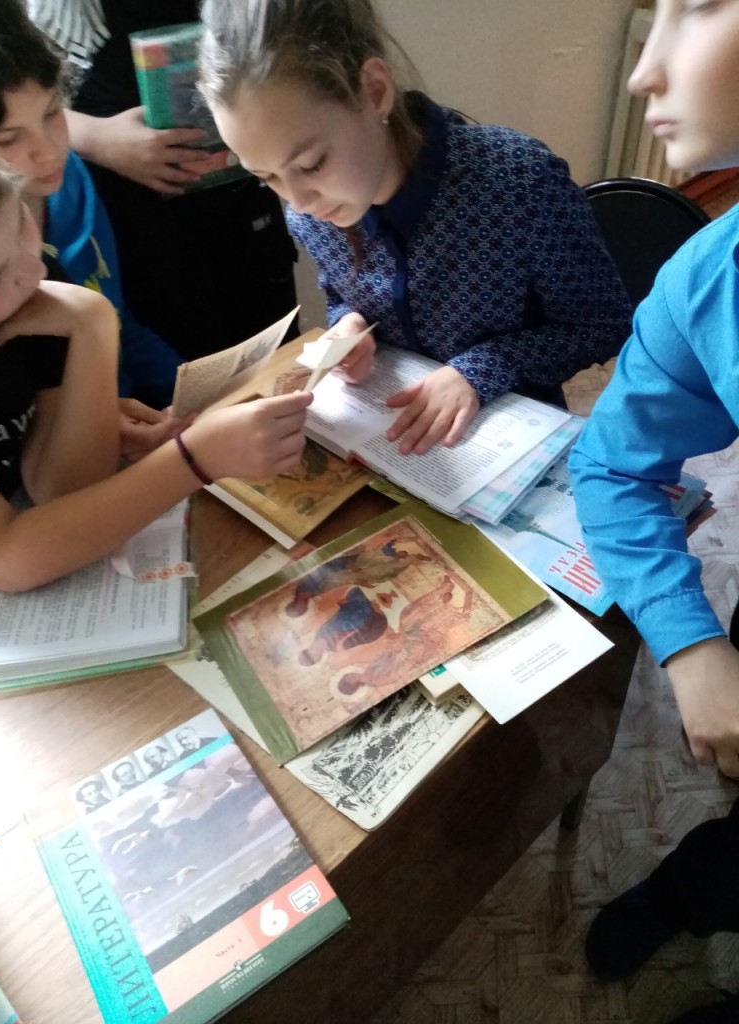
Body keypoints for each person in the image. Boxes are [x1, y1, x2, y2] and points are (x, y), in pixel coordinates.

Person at [197, 0, 632, 456]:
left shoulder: (519, 182)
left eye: (311, 164)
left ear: (375, 91)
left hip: (508, 441)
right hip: (388, 438)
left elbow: (604, 324)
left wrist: (479, 370)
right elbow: (344, 295)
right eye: (266, 177)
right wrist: (349, 325)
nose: (298, 202)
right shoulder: (312, 216)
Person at [568, 1, 739, 1019]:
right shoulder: (710, 274)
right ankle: (698, 888)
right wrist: (692, 642)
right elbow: (612, 463)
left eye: (698, 6)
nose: (643, 71)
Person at [0, 119, 311, 593]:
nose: (32, 273)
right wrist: (195, 459)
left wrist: (92, 322)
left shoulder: (31, 287)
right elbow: (7, 558)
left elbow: (64, 489)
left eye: (21, 224)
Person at [27, 0, 299, 362]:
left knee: (278, 354)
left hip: (239, 187)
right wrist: (96, 138)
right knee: (182, 364)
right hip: (131, 209)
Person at [0, 2, 185, 459]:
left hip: (121, 429)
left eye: (53, 113)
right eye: (8, 139)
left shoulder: (72, 184)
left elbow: (119, 322)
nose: (50, 153)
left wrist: (194, 397)